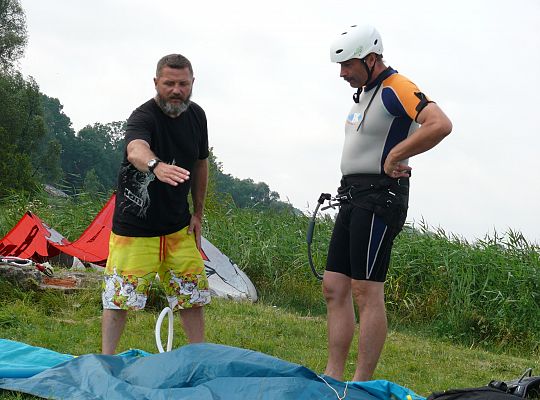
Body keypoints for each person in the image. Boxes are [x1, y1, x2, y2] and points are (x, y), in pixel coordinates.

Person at [323, 24, 452, 381]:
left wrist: (397, 154)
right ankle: (333, 376)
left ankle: (361, 382)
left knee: (366, 290)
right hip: (352, 194)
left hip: (381, 197)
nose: (342, 73)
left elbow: (439, 123)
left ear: (371, 58)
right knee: (334, 287)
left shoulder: (398, 87)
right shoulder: (364, 93)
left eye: (348, 65)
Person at [101, 53, 211, 354]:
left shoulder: (197, 116)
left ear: (192, 83)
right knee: (118, 299)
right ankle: (107, 360)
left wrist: (198, 213)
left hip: (178, 228)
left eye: (183, 84)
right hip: (135, 230)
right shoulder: (143, 116)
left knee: (192, 296)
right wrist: (155, 165)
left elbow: (201, 164)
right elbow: (136, 149)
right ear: (156, 83)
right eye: (169, 83)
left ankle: (199, 358)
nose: (177, 90)